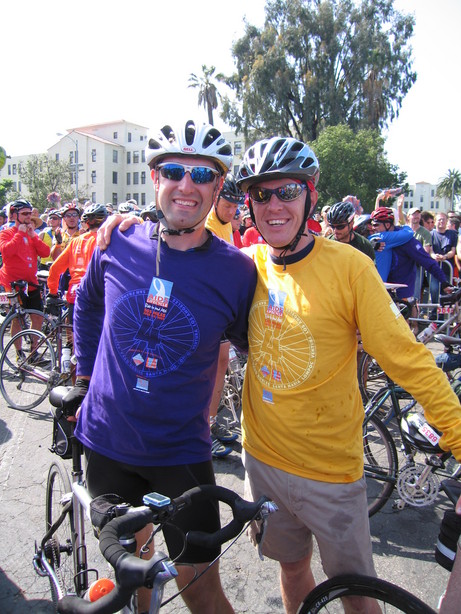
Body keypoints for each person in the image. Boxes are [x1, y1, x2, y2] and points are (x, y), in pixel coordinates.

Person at [234, 136, 461, 614]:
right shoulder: (247, 265)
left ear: (310, 196)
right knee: (292, 567)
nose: (274, 205)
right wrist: (128, 229)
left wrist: (460, 438)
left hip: (331, 472)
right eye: (261, 194)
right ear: (249, 203)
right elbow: (185, 246)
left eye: (287, 191)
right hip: (262, 459)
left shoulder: (350, 267)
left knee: (357, 593)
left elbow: (408, 359)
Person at [67, 119, 257, 613]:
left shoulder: (237, 271)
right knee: (134, 573)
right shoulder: (116, 241)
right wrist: (83, 377)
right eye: (174, 171)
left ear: (218, 186)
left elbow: (252, 346)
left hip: (181, 452)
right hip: (108, 443)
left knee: (202, 592)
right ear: (155, 178)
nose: (186, 185)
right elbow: (86, 304)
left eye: (202, 175)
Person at [205, 173, 246, 455]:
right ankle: (201, 428)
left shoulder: (226, 224)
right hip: (208, 305)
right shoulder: (208, 223)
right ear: (216, 199)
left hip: (221, 304)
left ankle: (210, 421)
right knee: (208, 368)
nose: (232, 212)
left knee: (221, 365)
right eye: (228, 205)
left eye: (235, 207)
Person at [47, 204, 109, 328]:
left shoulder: (75, 241)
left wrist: (52, 293)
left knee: (75, 335)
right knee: (99, 335)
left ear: (86, 222)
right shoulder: (106, 240)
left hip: (75, 292)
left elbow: (55, 268)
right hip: (96, 292)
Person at [369, 205, 450, 301]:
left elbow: (427, 261)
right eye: (372, 225)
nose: (372, 228)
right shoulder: (377, 238)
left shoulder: (407, 241)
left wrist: (443, 281)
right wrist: (370, 244)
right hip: (382, 292)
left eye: (376, 225)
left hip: (402, 295)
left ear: (387, 225)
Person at [0, 199, 50, 351]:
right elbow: (6, 252)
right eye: (24, 213)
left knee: (38, 316)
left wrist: (33, 236)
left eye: (30, 213)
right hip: (13, 283)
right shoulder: (6, 233)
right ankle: (19, 352)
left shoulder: (31, 234)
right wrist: (20, 233)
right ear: (14, 215)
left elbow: (45, 252)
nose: (28, 216)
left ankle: (33, 351)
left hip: (31, 282)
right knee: (18, 318)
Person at [430, 211, 457, 306]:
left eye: (443, 219)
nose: (441, 221)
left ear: (447, 221)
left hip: (447, 269)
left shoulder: (452, 234)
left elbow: (453, 251)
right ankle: (434, 311)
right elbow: (430, 250)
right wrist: (434, 256)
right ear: (435, 221)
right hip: (434, 268)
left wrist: (444, 257)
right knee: (434, 289)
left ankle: (443, 313)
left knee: (446, 291)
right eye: (439, 219)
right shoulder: (430, 234)